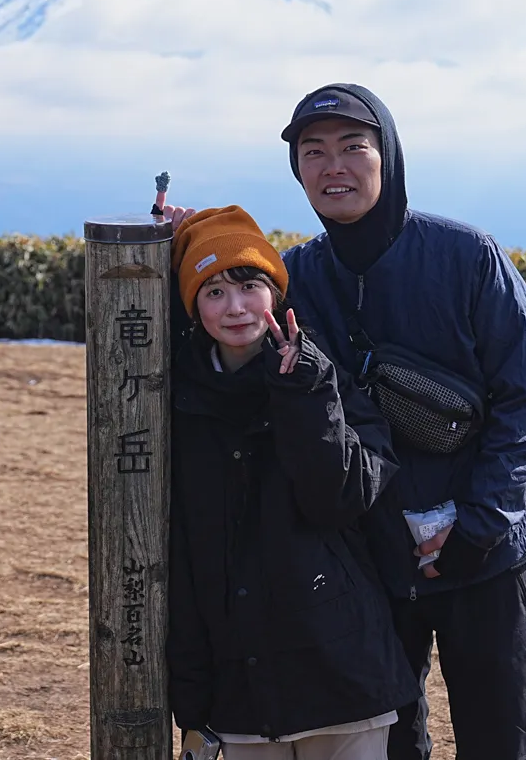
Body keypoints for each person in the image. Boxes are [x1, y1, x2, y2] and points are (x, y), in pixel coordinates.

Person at [276, 84, 526, 760]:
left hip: (483, 559)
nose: (332, 166)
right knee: (388, 745)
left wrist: (480, 527)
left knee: (496, 742)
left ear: (387, 156)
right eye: (314, 152)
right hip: (368, 562)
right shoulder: (297, 277)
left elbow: (522, 401)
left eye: (351, 147)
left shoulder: (467, 257)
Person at [167, 205, 417, 760]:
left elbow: (340, 498)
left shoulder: (325, 378)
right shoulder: (175, 401)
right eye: (212, 291)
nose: (235, 307)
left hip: (343, 674)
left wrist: (305, 394)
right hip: (237, 687)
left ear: (277, 292)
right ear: (190, 305)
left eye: (250, 284)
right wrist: (192, 698)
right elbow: (183, 556)